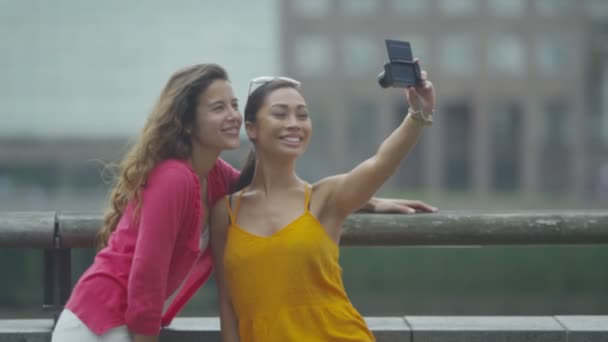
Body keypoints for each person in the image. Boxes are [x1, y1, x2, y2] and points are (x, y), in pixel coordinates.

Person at [51, 63, 435, 342]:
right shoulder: (196, 190)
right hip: (102, 324)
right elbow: (160, 280)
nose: (232, 115)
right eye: (219, 108)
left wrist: (366, 197)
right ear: (254, 129)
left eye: (302, 114)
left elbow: (364, 171)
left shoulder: (221, 180)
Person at [210, 66, 436, 341]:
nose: (294, 123)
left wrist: (417, 114)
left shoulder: (324, 198)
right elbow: (228, 302)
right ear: (252, 128)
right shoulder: (226, 211)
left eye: (302, 115)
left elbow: (380, 165)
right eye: (280, 114)